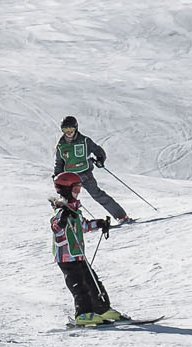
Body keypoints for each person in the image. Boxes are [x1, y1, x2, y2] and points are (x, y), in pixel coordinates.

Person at [50, 172, 125, 326]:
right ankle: (83, 314)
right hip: (66, 257)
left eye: (79, 189)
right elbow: (56, 227)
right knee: (80, 287)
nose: (78, 192)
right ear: (66, 190)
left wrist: (99, 223)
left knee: (93, 282)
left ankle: (101, 309)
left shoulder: (75, 210)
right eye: (76, 189)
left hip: (78, 255)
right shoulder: (60, 210)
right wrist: (63, 218)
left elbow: (83, 226)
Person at [52, 117, 133, 223]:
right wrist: (57, 176)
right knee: (67, 201)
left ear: (76, 128)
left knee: (98, 194)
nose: (68, 133)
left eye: (71, 130)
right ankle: (70, 223)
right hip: (70, 178)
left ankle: (121, 216)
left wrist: (100, 159)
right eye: (65, 130)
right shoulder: (61, 146)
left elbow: (97, 150)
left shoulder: (85, 141)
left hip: (85, 174)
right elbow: (59, 163)